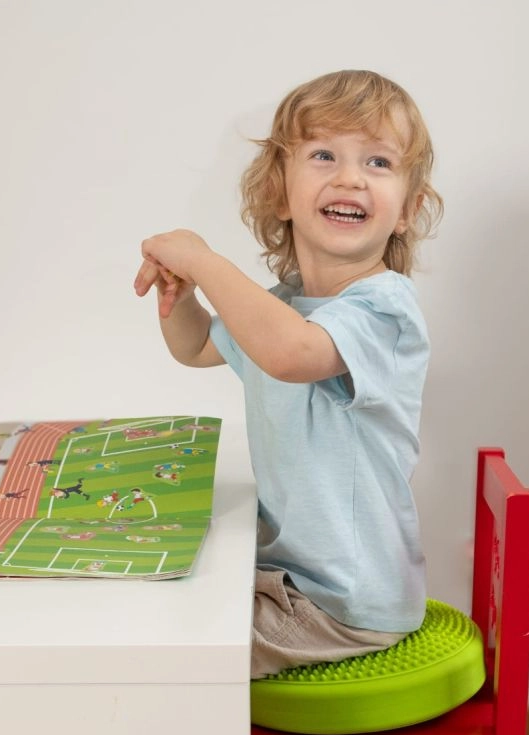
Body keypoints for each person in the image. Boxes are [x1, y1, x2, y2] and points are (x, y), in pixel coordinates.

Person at [134, 69, 443, 678]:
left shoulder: (384, 309)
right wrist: (182, 294)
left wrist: (206, 261)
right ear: (280, 193)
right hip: (293, 580)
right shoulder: (286, 304)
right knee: (163, 595)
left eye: (378, 162)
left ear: (406, 210)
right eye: (324, 155)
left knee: (174, 653)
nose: (350, 177)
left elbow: (292, 354)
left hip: (344, 603)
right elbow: (196, 347)